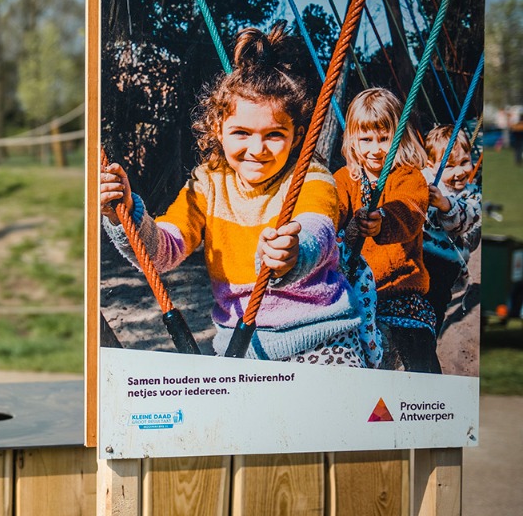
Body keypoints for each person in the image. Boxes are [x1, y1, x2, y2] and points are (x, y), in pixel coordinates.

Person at [100, 24, 375, 366]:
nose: (257, 149)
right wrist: (123, 214)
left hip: (321, 339)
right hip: (239, 348)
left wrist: (293, 253)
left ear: (297, 135)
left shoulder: (310, 177)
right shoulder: (207, 184)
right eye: (241, 132)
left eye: (274, 134)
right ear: (218, 129)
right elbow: (162, 253)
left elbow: (315, 229)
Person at [333, 88, 438, 373]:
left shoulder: (408, 177)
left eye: (384, 138)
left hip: (400, 289)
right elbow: (330, 208)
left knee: (418, 357)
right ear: (353, 140)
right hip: (354, 290)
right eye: (366, 139)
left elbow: (410, 210)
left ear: (398, 138)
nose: (375, 148)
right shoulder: (344, 179)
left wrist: (384, 220)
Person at [421, 124, 481, 334]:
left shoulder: (472, 194)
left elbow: (463, 221)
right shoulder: (425, 180)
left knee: (434, 307)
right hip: (418, 256)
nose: (459, 172)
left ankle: (430, 335)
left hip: (446, 265)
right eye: (449, 166)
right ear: (430, 166)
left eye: (465, 162)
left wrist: (445, 204)